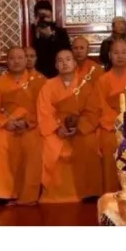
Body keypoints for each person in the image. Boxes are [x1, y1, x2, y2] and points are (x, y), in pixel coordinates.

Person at [36, 48, 101, 202]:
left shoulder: (86, 85)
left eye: (68, 59)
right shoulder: (48, 86)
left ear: (74, 63)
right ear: (56, 66)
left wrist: (79, 126)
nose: (64, 63)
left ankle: (88, 191)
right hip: (56, 129)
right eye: (60, 60)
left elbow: (92, 111)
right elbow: (44, 111)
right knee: (47, 146)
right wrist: (58, 128)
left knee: (90, 143)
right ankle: (54, 192)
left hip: (80, 128)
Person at [0, 47, 42, 204]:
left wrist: (27, 122)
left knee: (34, 145)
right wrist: (6, 123)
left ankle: (28, 195)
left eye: (20, 58)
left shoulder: (38, 81)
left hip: (30, 126)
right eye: (12, 58)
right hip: (5, 126)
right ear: (7, 61)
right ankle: (2, 193)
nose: (16, 61)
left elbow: (43, 110)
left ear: (26, 60)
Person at [87, 37, 126, 195]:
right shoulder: (102, 80)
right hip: (111, 127)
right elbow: (99, 105)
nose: (120, 56)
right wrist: (119, 121)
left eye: (124, 52)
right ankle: (110, 200)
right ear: (110, 55)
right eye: (116, 52)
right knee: (110, 158)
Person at [31, 0, 71, 79]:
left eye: (47, 17)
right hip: (36, 73)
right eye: (41, 17)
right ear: (36, 17)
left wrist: (51, 37)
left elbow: (66, 52)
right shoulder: (29, 32)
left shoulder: (60, 32)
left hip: (57, 72)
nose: (44, 20)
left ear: (51, 16)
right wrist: (37, 35)